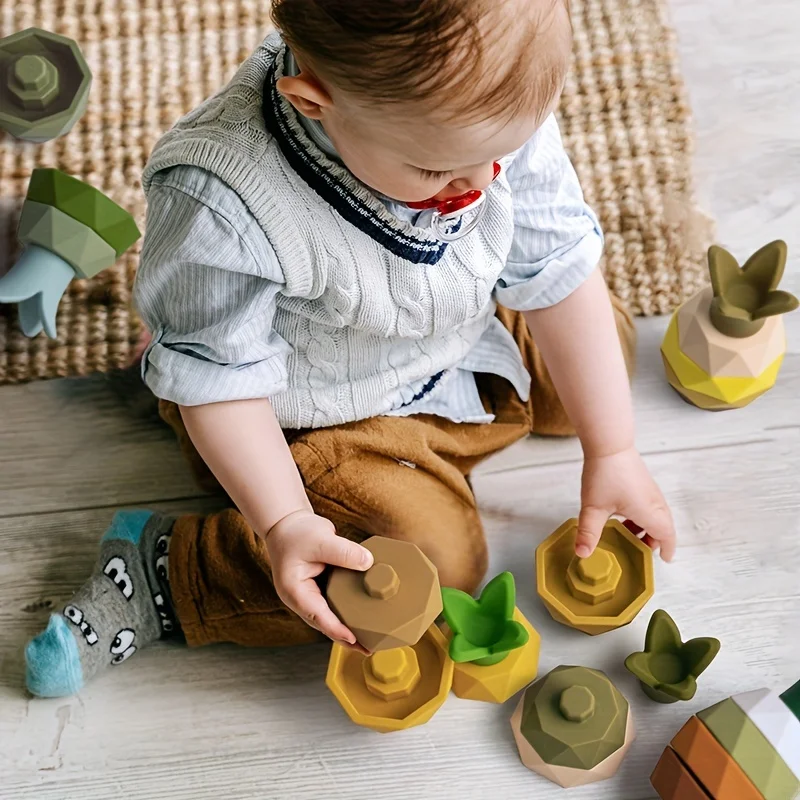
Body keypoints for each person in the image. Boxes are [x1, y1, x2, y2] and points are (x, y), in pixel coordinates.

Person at [25, 0, 676, 698]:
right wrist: (283, 522)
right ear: (313, 102)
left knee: (601, 337)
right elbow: (221, 386)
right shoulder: (222, 199)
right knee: (430, 567)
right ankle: (169, 574)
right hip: (312, 413)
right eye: (438, 172)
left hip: (455, 330)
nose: (482, 183)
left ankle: (497, 408)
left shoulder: (479, 112)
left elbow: (554, 265)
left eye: (500, 153)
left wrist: (613, 450)